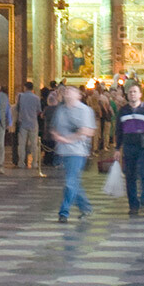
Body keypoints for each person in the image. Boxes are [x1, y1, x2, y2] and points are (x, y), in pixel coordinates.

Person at [51, 83, 97, 221]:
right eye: (66, 91)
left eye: (71, 91)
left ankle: (63, 212)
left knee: (70, 182)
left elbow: (89, 131)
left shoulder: (85, 110)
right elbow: (54, 128)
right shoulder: (61, 110)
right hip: (62, 152)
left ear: (78, 95)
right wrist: (57, 136)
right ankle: (86, 207)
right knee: (72, 182)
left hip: (77, 152)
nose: (68, 94)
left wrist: (70, 139)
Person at [115, 82, 144, 214]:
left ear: (140, 94)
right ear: (127, 95)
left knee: (143, 173)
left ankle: (143, 196)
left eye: (135, 92)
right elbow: (119, 130)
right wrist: (117, 148)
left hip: (143, 146)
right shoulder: (123, 111)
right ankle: (133, 203)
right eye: (130, 92)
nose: (132, 94)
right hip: (129, 145)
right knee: (130, 175)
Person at [16, 79, 43, 174]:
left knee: (22, 144)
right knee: (34, 144)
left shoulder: (20, 97)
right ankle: (34, 162)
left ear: (25, 87)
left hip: (23, 123)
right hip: (33, 123)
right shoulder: (36, 98)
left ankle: (21, 162)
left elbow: (17, 108)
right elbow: (39, 111)